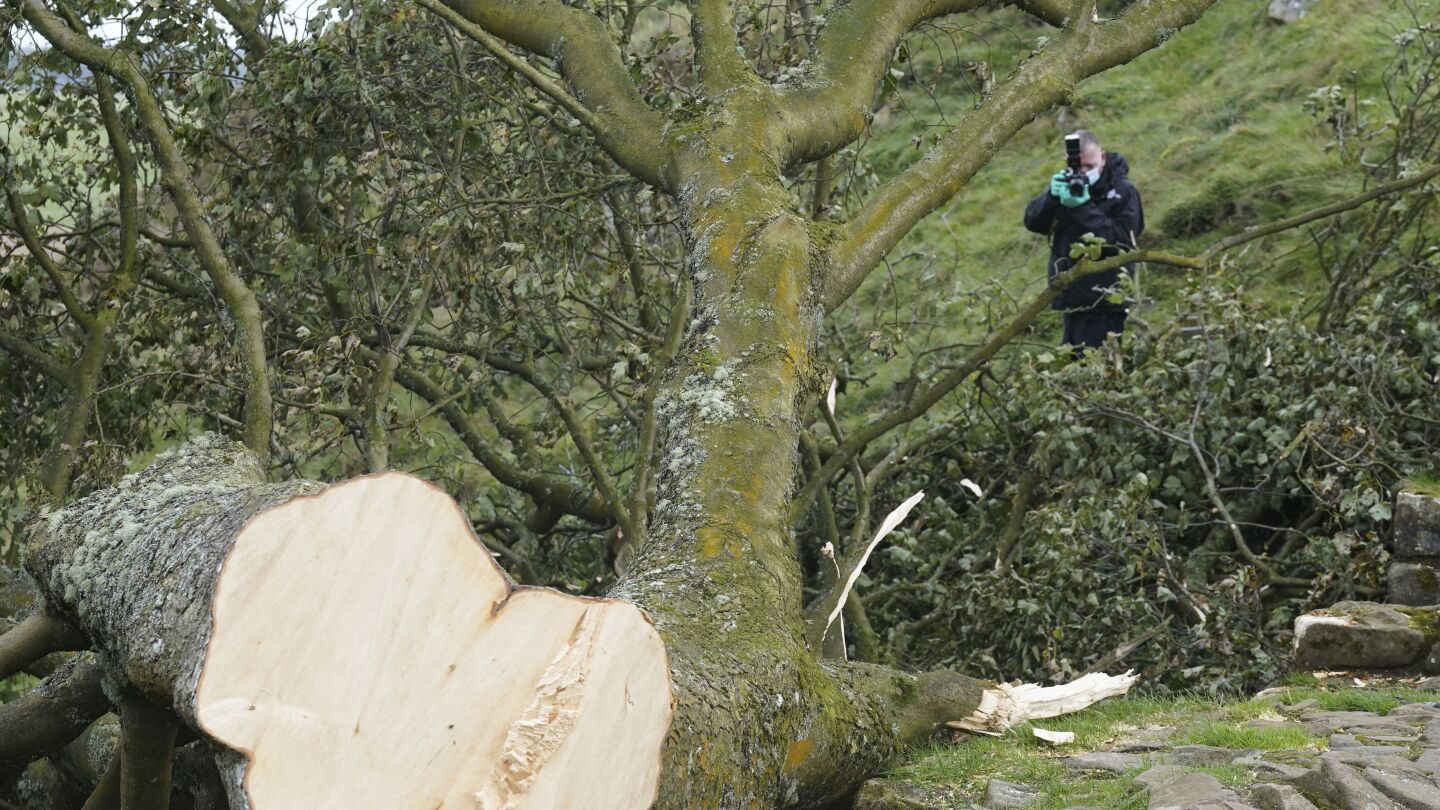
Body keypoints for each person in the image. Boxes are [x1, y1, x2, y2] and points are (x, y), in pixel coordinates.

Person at [1023, 129, 1145, 353]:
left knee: (1098, 370)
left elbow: (1120, 241)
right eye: (1080, 167)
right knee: (1073, 369)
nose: (1084, 172)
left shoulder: (1123, 192)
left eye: (1090, 166)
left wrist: (1082, 207)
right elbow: (1033, 223)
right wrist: (1051, 197)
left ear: (1103, 158)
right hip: (1070, 295)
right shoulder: (1066, 185)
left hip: (1105, 299)